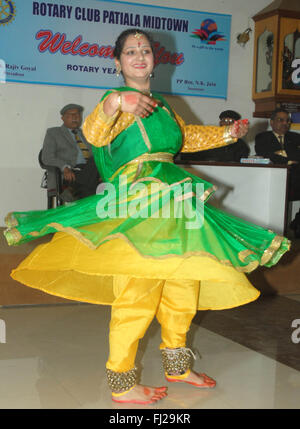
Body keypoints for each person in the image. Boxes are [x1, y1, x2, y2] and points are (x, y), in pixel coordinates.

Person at [4, 29, 290, 405]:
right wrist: (116, 103)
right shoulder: (114, 99)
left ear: (155, 59)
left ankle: (177, 364)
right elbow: (93, 131)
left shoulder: (164, 105)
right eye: (130, 51)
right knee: (138, 290)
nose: (139, 56)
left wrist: (226, 134)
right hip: (137, 201)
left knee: (184, 282)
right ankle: (122, 382)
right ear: (118, 61)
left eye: (145, 50)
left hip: (175, 196)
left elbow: (184, 137)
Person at [255, 108, 300, 236]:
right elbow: (264, 154)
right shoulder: (262, 137)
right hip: (274, 179)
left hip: (295, 179)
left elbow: (298, 155)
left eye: (287, 121)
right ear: (272, 122)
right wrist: (289, 160)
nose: (285, 123)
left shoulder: (295, 137)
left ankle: (297, 223)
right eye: (280, 120)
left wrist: (282, 154)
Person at [41, 103, 100, 202]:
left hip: (88, 171)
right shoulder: (53, 133)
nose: (75, 117)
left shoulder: (87, 134)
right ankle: (75, 189)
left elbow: (96, 156)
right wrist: (65, 167)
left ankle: (74, 189)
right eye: (70, 115)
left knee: (97, 159)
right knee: (90, 188)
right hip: (69, 172)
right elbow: (47, 157)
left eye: (77, 115)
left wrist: (101, 173)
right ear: (63, 118)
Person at [180, 110, 249, 162]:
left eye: (231, 120)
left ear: (236, 123)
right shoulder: (210, 137)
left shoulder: (241, 145)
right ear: (220, 123)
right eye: (224, 120)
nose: (227, 123)